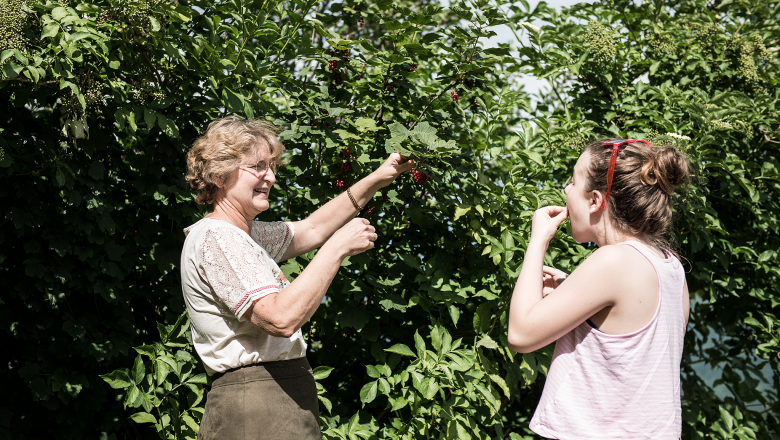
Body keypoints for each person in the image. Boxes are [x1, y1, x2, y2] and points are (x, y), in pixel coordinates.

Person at [180, 116, 413, 440]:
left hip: (278, 395)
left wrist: (378, 177)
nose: (270, 177)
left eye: (272, 167)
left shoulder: (245, 235)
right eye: (258, 166)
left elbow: (313, 228)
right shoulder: (218, 238)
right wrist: (337, 249)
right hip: (257, 405)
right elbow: (280, 317)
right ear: (219, 173)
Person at [507, 139, 691, 439]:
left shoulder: (613, 261)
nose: (566, 190)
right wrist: (571, 291)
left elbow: (520, 333)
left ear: (594, 200)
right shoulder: (671, 266)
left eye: (573, 181)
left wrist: (538, 240)